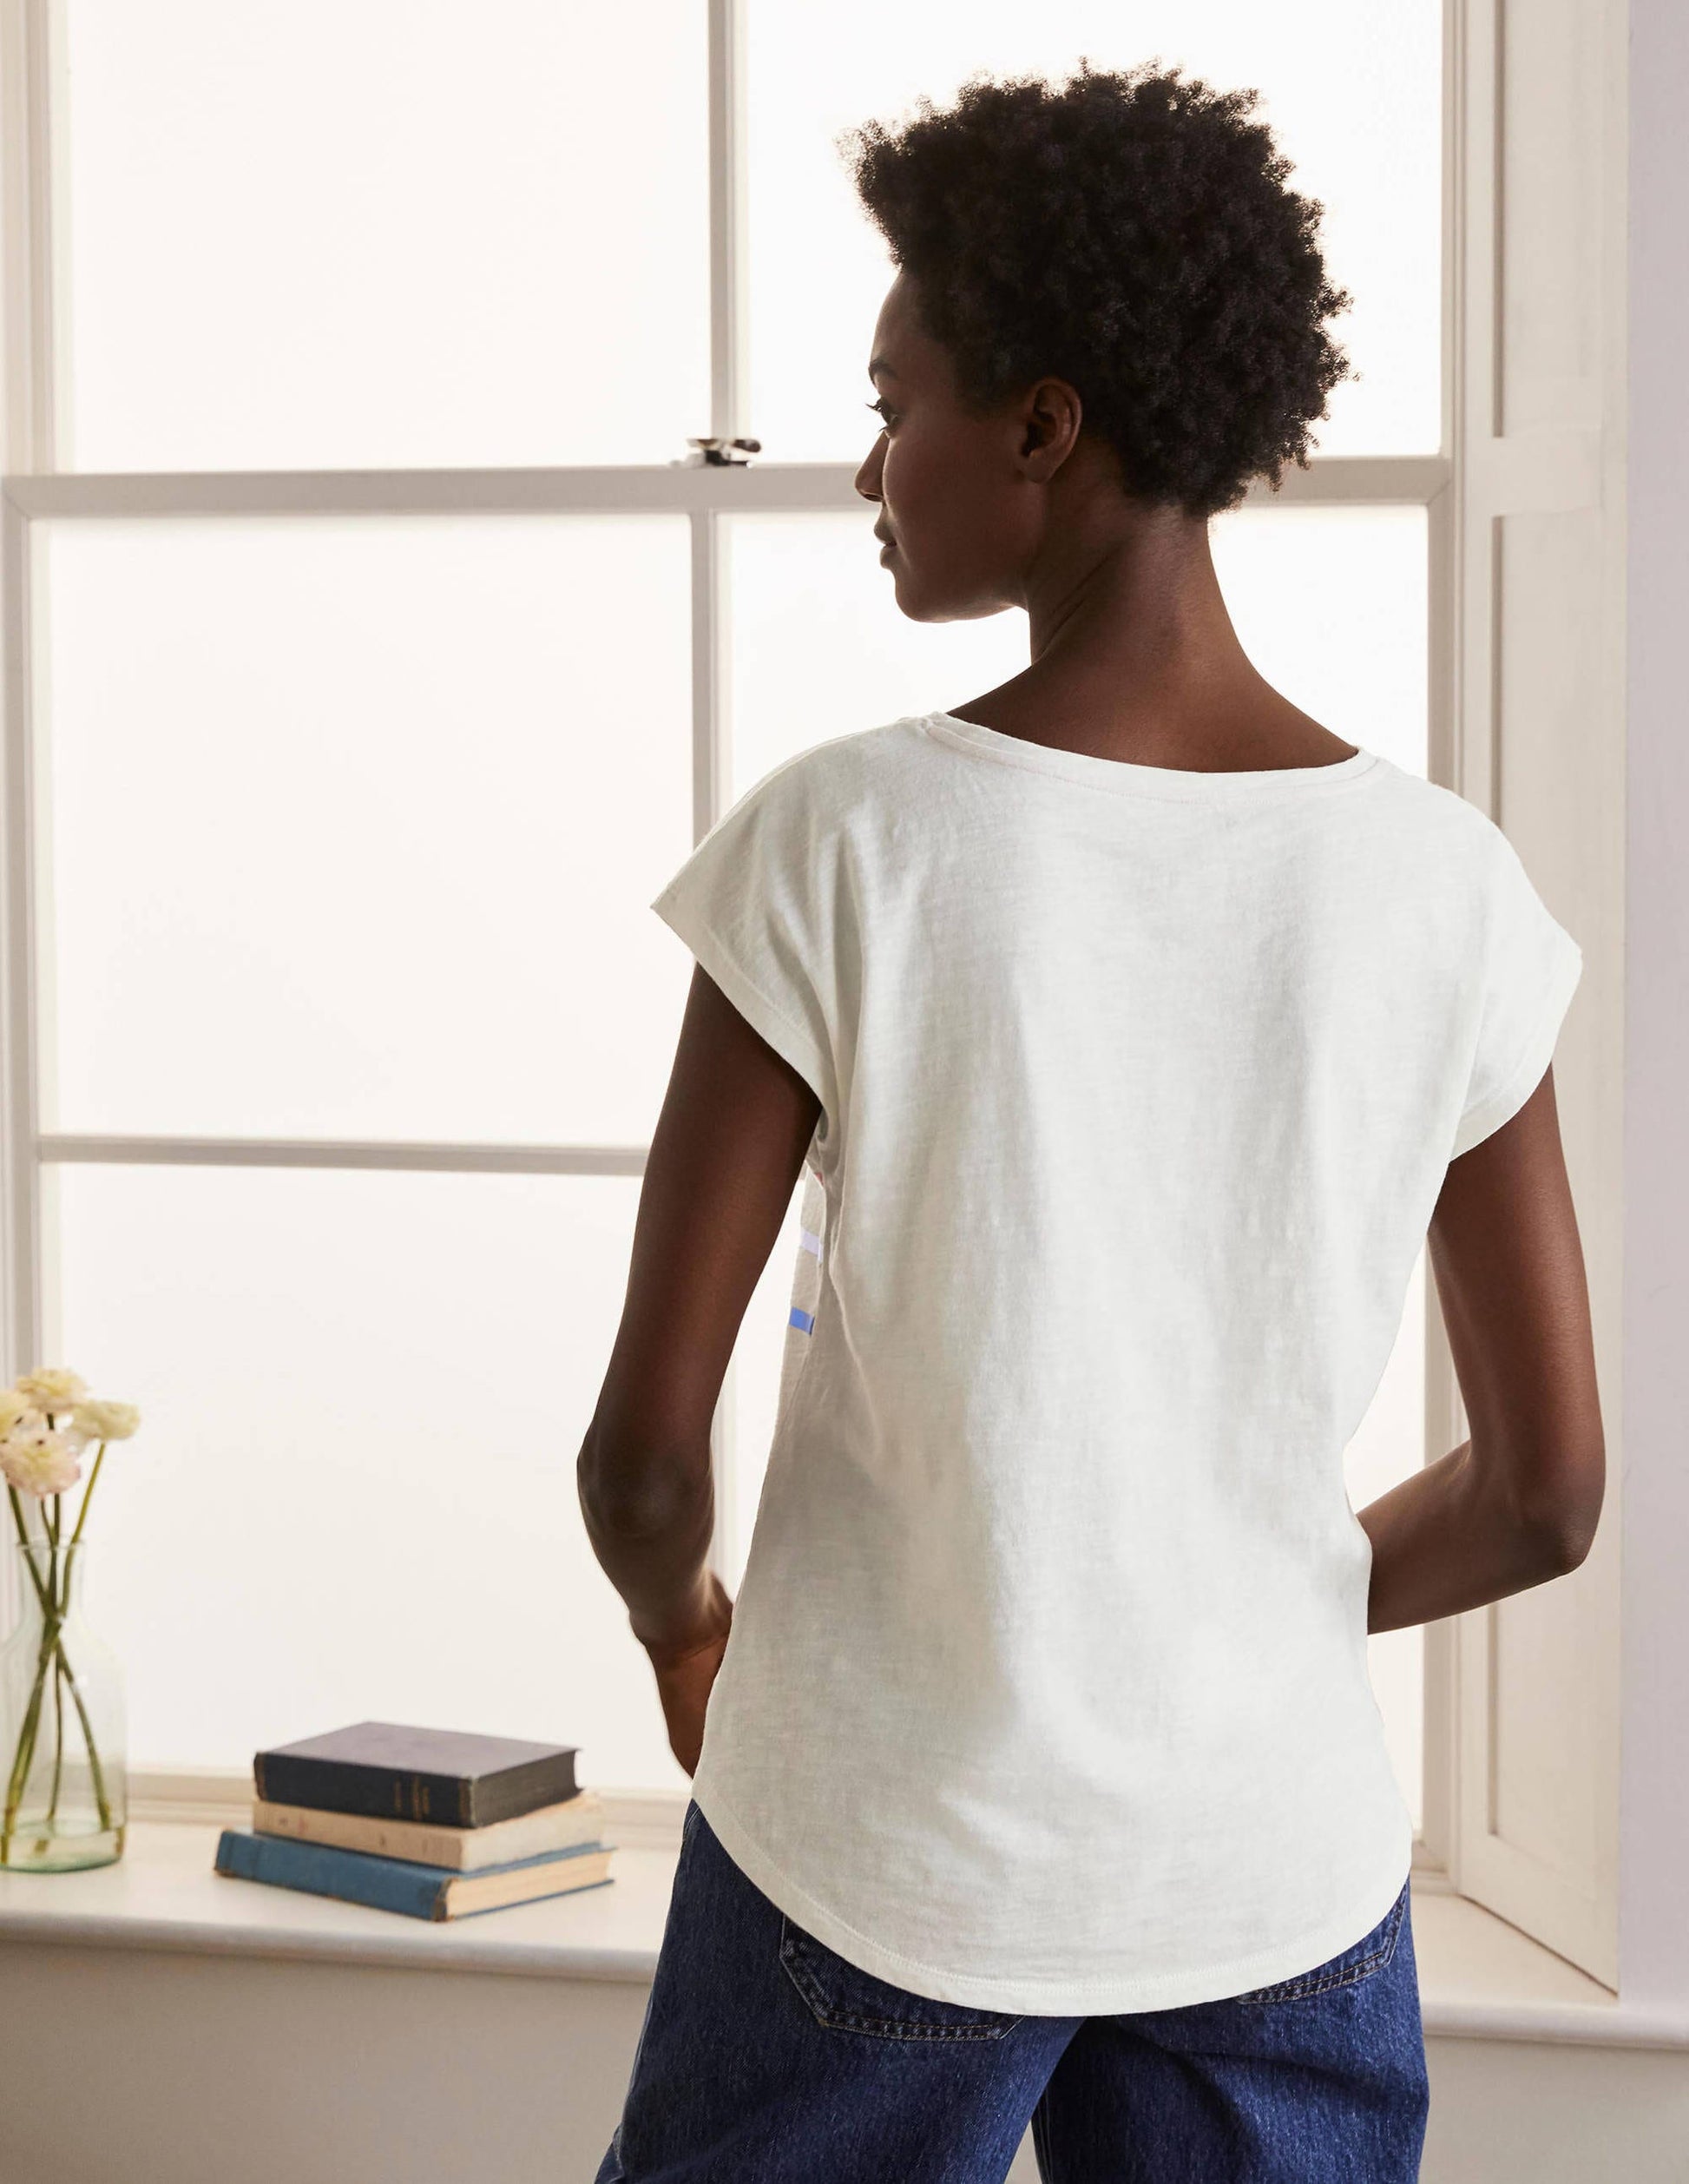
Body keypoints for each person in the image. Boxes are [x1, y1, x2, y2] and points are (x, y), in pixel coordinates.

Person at [578, 58, 1604, 2184]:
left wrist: (685, 1630)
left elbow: (646, 1457)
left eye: (894, 404)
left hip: (876, 1847)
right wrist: (1246, 1605)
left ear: (1043, 426)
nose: (866, 465)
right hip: (1275, 1878)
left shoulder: (846, 842)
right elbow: (1546, 1492)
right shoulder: (1444, 890)